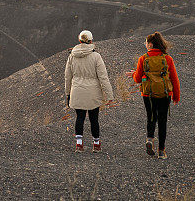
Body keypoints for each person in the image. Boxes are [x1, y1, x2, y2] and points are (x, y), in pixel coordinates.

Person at [125, 31, 180, 159]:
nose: (145, 45)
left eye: (146, 43)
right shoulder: (167, 58)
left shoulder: (143, 58)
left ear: (150, 44)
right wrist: (176, 96)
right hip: (164, 93)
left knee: (151, 117)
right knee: (162, 120)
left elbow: (137, 79)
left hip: (148, 94)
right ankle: (161, 151)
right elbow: (174, 79)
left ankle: (149, 139)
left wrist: (134, 74)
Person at [64, 30, 115, 152]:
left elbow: (68, 77)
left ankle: (79, 144)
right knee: (94, 118)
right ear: (91, 41)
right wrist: (109, 95)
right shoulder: (96, 56)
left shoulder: (72, 56)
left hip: (77, 90)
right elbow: (103, 77)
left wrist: (68, 93)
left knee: (79, 117)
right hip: (93, 92)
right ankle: (96, 144)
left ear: (79, 40)